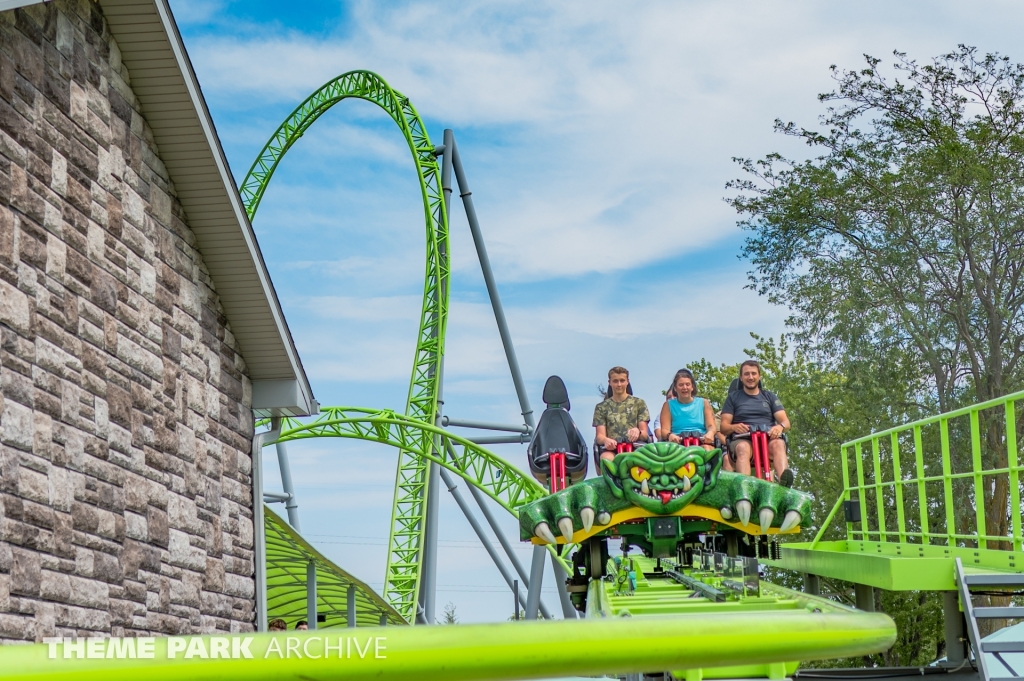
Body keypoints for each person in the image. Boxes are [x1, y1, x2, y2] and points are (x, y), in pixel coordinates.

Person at [719, 360, 794, 487]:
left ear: (759, 376)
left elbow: (785, 422)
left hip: (768, 438)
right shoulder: (733, 398)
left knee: (779, 444)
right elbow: (724, 427)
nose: (750, 377)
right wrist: (734, 427)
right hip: (743, 439)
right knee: (742, 448)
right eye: (746, 374)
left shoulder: (769, 396)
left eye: (754, 374)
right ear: (741, 378)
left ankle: (784, 484)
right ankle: (745, 486)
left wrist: (779, 427)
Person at [593, 366, 650, 462]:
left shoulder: (639, 403)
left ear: (627, 381)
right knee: (606, 459)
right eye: (615, 381)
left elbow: (645, 434)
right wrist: (606, 440)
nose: (619, 384)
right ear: (609, 383)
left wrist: (638, 431)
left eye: (622, 381)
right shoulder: (601, 407)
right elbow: (600, 436)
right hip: (612, 449)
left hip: (635, 448)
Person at [659, 369, 715, 451]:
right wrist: (670, 435)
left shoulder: (703, 403)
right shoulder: (668, 405)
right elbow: (664, 430)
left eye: (687, 384)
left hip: (701, 440)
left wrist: (710, 433)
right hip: (678, 442)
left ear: (692, 387)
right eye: (681, 385)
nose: (684, 387)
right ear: (675, 388)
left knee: (707, 450)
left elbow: (711, 426)